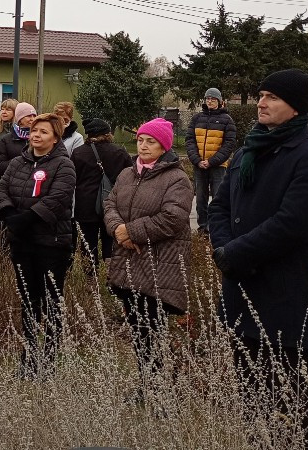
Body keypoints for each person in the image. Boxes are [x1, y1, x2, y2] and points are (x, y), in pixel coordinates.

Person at [209, 69, 308, 448]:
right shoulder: (249, 150)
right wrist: (224, 250)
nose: (262, 103)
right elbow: (220, 208)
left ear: (295, 107)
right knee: (252, 402)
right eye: (262, 95)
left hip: (285, 295)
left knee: (291, 401)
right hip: (241, 288)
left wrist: (235, 252)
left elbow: (293, 224)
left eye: (272, 97)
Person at [104, 117, 192, 388]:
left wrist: (132, 232)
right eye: (141, 140)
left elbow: (173, 218)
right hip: (128, 260)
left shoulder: (177, 178)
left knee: (153, 327)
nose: (143, 146)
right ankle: (147, 384)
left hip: (158, 263)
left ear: (163, 146)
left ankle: (159, 388)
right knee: (137, 327)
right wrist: (118, 229)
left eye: (150, 141)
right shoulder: (127, 173)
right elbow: (110, 203)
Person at [0, 113, 77, 378]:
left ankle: (49, 361)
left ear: (55, 137)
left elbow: (59, 198)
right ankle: (28, 358)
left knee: (52, 302)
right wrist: (8, 215)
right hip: (22, 242)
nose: (36, 135)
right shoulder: (19, 162)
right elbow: (2, 189)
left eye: (43, 131)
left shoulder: (64, 165)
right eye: (34, 131)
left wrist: (28, 218)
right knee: (29, 301)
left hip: (51, 242)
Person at [70, 118, 132, 273]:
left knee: (87, 243)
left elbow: (72, 179)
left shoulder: (78, 153)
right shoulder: (119, 152)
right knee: (110, 239)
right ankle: (111, 274)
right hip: (112, 204)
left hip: (85, 205)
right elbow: (130, 176)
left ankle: (91, 278)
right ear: (107, 133)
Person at [185, 88, 237, 235]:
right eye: (207, 98)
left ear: (219, 101)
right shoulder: (196, 118)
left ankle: (217, 227)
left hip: (218, 166)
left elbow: (229, 144)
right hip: (199, 166)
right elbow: (190, 141)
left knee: (218, 198)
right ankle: (203, 227)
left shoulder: (227, 120)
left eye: (213, 99)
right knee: (200, 198)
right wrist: (197, 160)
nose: (209, 101)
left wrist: (212, 161)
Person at [0, 103, 37, 221]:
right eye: (28, 116)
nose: (32, 119)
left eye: (34, 116)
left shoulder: (38, 138)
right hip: (13, 190)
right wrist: (20, 162)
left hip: (34, 192)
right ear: (20, 118)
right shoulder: (6, 140)